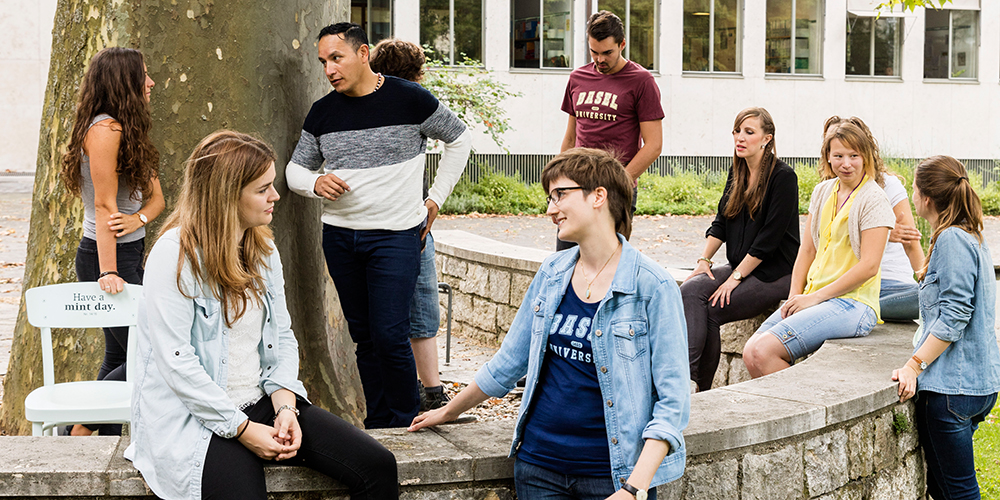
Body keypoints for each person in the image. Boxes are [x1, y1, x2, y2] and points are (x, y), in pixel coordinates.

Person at [125, 130, 399, 500]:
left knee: (378, 467)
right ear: (225, 195)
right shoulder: (174, 255)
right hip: (194, 417)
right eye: (262, 188)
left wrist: (286, 406)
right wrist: (241, 429)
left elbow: (282, 336)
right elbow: (176, 362)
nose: (276, 195)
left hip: (262, 400)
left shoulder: (262, 249)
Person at [409, 148, 689, 500]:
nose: (550, 209)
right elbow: (509, 362)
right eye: (549, 197)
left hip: (611, 477)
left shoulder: (652, 286)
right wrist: (447, 411)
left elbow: (672, 402)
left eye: (561, 195)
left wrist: (634, 487)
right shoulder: (552, 273)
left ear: (598, 196)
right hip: (539, 467)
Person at [285, 23, 472, 428]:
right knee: (365, 338)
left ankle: (406, 422)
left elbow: (459, 139)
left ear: (363, 53)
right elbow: (294, 172)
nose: (329, 69)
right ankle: (379, 422)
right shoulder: (323, 112)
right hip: (339, 237)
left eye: (337, 58)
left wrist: (435, 198)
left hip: (396, 236)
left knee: (390, 335)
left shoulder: (409, 99)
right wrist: (315, 182)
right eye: (323, 62)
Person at [59, 47, 165, 436]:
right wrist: (108, 270)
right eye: (144, 75)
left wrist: (137, 218)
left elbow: (157, 201)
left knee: (120, 353)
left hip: (130, 251)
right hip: (105, 257)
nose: (151, 82)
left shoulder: (131, 130)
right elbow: (104, 206)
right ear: (124, 82)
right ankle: (77, 428)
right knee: (146, 353)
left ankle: (95, 439)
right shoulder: (105, 130)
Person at [742, 121, 894, 377]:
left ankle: (804, 409)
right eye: (838, 156)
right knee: (750, 352)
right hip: (815, 298)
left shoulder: (874, 198)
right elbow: (807, 250)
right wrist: (794, 296)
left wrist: (814, 298)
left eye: (854, 156)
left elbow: (869, 266)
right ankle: (792, 410)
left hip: (853, 304)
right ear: (828, 158)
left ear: (866, 157)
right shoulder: (823, 191)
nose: (846, 163)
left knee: (763, 351)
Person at [892, 155, 1000, 500]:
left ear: (925, 197)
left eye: (913, 188)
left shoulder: (953, 239)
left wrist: (913, 364)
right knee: (943, 489)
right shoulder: (970, 235)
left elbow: (954, 315)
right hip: (977, 385)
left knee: (959, 492)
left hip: (953, 390)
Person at [681, 108, 798, 393]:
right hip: (742, 267)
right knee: (690, 290)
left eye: (749, 132)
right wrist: (704, 260)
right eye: (737, 131)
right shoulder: (737, 171)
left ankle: (694, 384)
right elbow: (721, 221)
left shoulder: (783, 177)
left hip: (775, 272)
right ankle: (688, 380)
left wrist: (735, 279)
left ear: (766, 139)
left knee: (713, 309)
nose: (740, 138)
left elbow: (768, 240)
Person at [370, 38, 450, 411]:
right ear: (416, 76)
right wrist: (434, 199)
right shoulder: (414, 105)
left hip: (378, 225)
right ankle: (430, 392)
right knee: (419, 308)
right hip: (409, 225)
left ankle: (424, 392)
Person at [558, 10, 663, 250]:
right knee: (564, 262)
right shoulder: (577, 78)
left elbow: (654, 144)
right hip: (576, 187)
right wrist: (559, 180)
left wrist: (620, 182)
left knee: (605, 266)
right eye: (594, 52)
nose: (600, 60)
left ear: (622, 44)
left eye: (607, 53)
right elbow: (571, 136)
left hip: (616, 191)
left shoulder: (642, 81)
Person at [822, 116, 923, 321]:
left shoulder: (888, 186)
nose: (844, 161)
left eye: (852, 152)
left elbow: (910, 241)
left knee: (934, 297)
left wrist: (925, 281)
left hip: (891, 282)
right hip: (848, 284)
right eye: (836, 151)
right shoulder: (827, 191)